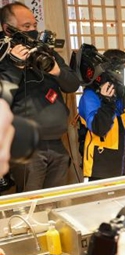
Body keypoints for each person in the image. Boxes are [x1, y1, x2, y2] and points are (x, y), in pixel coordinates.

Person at [0, 2, 81, 191]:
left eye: (35, 25)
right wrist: (15, 66)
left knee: (55, 201)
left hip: (58, 142)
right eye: (26, 26)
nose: (33, 30)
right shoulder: (3, 56)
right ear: (8, 29)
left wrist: (57, 71)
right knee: (30, 202)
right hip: (26, 147)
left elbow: (72, 85)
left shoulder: (44, 50)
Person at [78, 50, 125, 180]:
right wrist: (107, 102)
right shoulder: (91, 95)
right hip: (104, 169)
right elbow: (99, 129)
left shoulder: (124, 94)